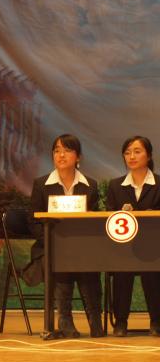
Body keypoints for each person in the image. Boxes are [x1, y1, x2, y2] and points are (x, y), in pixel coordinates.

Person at [30, 134, 104, 338]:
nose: (61, 155)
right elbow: (33, 222)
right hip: (50, 246)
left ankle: (94, 318)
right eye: (57, 150)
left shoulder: (90, 185)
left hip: (82, 247)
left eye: (67, 150)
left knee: (86, 258)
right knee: (60, 257)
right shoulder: (41, 184)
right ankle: (65, 319)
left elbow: (95, 222)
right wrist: (52, 242)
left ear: (78, 157)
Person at [106, 135, 160, 337]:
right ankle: (120, 322)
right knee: (122, 267)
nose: (132, 156)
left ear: (149, 155)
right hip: (125, 247)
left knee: (153, 268)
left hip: (155, 246)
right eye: (127, 153)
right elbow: (110, 216)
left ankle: (157, 320)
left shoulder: (159, 183)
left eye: (137, 151)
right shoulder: (115, 185)